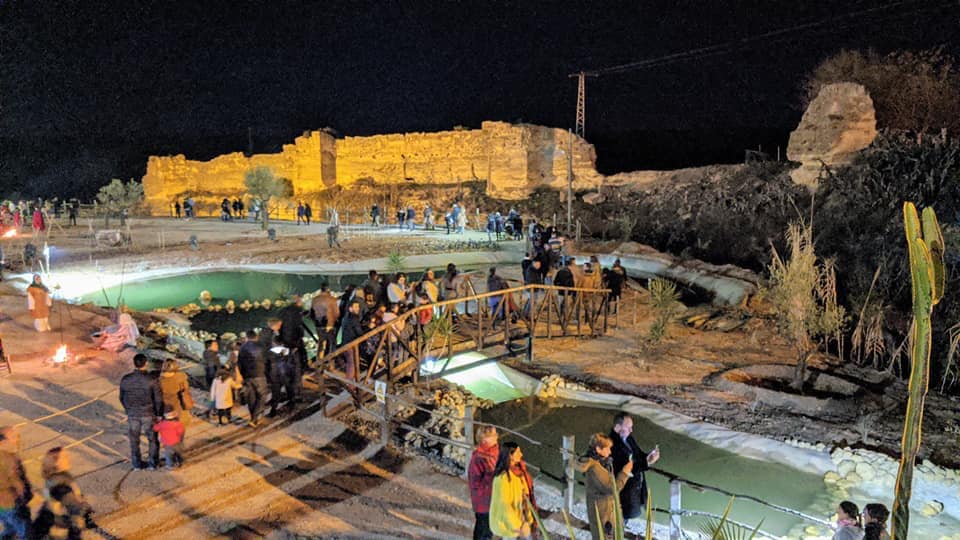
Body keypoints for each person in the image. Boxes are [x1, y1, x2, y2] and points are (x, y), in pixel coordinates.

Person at [32, 446, 94, 540]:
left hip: (60, 515)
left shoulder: (55, 477)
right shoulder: (61, 479)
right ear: (56, 462)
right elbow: (70, 499)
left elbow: (49, 493)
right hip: (62, 516)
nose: (68, 459)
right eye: (64, 457)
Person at [580, 433, 631, 540]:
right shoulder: (595, 468)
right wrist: (625, 473)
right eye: (607, 449)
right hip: (604, 515)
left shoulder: (599, 462)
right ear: (598, 449)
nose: (610, 452)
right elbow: (612, 488)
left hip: (605, 511)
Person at [610, 412, 660, 521]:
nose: (631, 430)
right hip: (624, 492)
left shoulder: (628, 438)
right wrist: (647, 463)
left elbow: (639, 455)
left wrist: (649, 456)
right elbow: (626, 469)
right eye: (628, 427)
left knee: (623, 519)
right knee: (620, 519)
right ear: (617, 427)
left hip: (634, 490)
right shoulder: (612, 445)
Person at [119, 354, 163, 470]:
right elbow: (158, 399)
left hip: (133, 413)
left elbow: (122, 397)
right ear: (146, 363)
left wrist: (128, 409)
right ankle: (153, 463)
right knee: (152, 439)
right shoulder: (151, 380)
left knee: (134, 439)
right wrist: (159, 414)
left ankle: (136, 463)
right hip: (148, 413)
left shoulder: (126, 379)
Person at [489, 442, 534, 540]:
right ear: (510, 455)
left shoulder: (518, 472)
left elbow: (524, 496)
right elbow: (505, 505)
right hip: (510, 524)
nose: (521, 454)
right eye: (518, 452)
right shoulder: (503, 478)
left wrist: (528, 518)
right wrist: (519, 525)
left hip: (521, 519)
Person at [0, 427, 32, 539]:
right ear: (3, 441)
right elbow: (17, 482)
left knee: (8, 528)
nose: (17, 440)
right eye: (13, 437)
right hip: (11, 503)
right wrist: (26, 497)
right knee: (25, 531)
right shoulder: (9, 459)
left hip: (1, 506)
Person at [468, 426, 499, 540]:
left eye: (496, 434)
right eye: (493, 435)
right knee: (484, 530)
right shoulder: (478, 459)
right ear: (484, 440)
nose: (497, 436)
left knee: (488, 529)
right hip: (484, 503)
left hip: (494, 500)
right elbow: (476, 485)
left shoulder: (495, 453)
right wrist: (494, 475)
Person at [279, 296, 307, 404]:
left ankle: (288, 391)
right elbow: (299, 330)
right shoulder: (297, 313)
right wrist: (297, 344)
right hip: (294, 345)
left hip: (285, 344)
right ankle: (297, 394)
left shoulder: (284, 312)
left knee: (287, 369)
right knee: (297, 370)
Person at [237, 330, 267, 427]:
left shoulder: (242, 348)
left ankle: (252, 417)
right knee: (262, 396)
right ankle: (255, 418)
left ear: (247, 337)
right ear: (256, 336)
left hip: (247, 376)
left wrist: (243, 374)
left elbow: (239, 363)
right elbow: (266, 359)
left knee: (251, 397)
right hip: (259, 374)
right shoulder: (261, 346)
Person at [158, 359, 194, 426]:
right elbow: (186, 391)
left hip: (166, 411)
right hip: (180, 410)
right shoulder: (181, 378)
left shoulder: (160, 380)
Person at [266, 335, 292, 416]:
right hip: (285, 372)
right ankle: (291, 404)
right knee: (289, 388)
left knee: (275, 392)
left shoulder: (270, 351)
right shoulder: (287, 350)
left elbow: (267, 364)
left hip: (274, 373)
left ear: (274, 342)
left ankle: (273, 410)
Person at [311, 285, 340, 356]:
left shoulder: (315, 299)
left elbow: (311, 313)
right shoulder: (332, 299)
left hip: (318, 325)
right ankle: (331, 362)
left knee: (321, 344)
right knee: (331, 344)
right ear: (328, 290)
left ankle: (319, 362)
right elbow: (337, 313)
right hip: (329, 325)